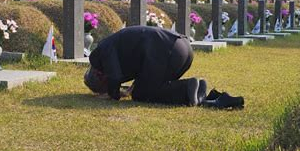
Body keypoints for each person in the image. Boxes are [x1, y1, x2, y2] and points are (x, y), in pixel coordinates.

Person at [84, 26, 244, 108]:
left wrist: (112, 94)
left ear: (99, 75)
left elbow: (115, 77)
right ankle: (201, 91)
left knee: (142, 94)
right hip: (182, 48)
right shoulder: (112, 47)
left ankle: (187, 87)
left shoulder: (101, 53)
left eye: (103, 87)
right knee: (150, 88)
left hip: (167, 51)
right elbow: (138, 67)